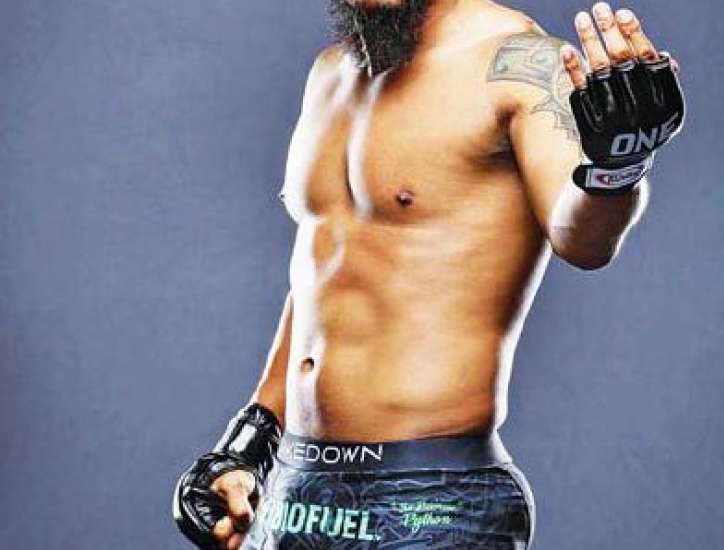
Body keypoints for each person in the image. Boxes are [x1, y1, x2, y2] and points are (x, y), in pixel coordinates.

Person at [173, 1, 684, 548]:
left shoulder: (519, 63)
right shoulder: (330, 72)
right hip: (296, 493)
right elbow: (326, 271)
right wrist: (250, 439)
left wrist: (614, 169)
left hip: (433, 500)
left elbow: (581, 239)